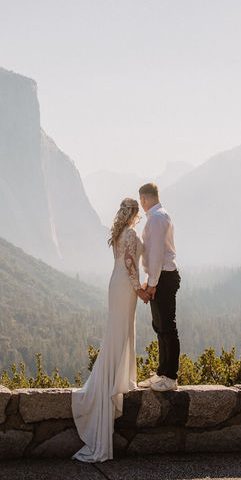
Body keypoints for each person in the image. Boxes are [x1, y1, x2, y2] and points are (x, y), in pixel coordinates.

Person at [71, 197, 145, 462]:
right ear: (135, 214)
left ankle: (114, 379)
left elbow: (123, 261)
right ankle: (115, 382)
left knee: (117, 332)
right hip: (125, 286)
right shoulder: (131, 233)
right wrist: (141, 290)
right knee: (121, 332)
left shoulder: (117, 233)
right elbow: (130, 263)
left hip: (115, 285)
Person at [136, 182, 181, 392]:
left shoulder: (155, 219)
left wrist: (151, 283)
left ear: (144, 199)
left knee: (167, 328)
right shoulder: (161, 215)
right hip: (161, 276)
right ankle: (162, 373)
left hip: (163, 277)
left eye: (140, 200)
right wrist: (150, 280)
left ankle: (170, 377)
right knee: (160, 327)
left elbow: (155, 255)